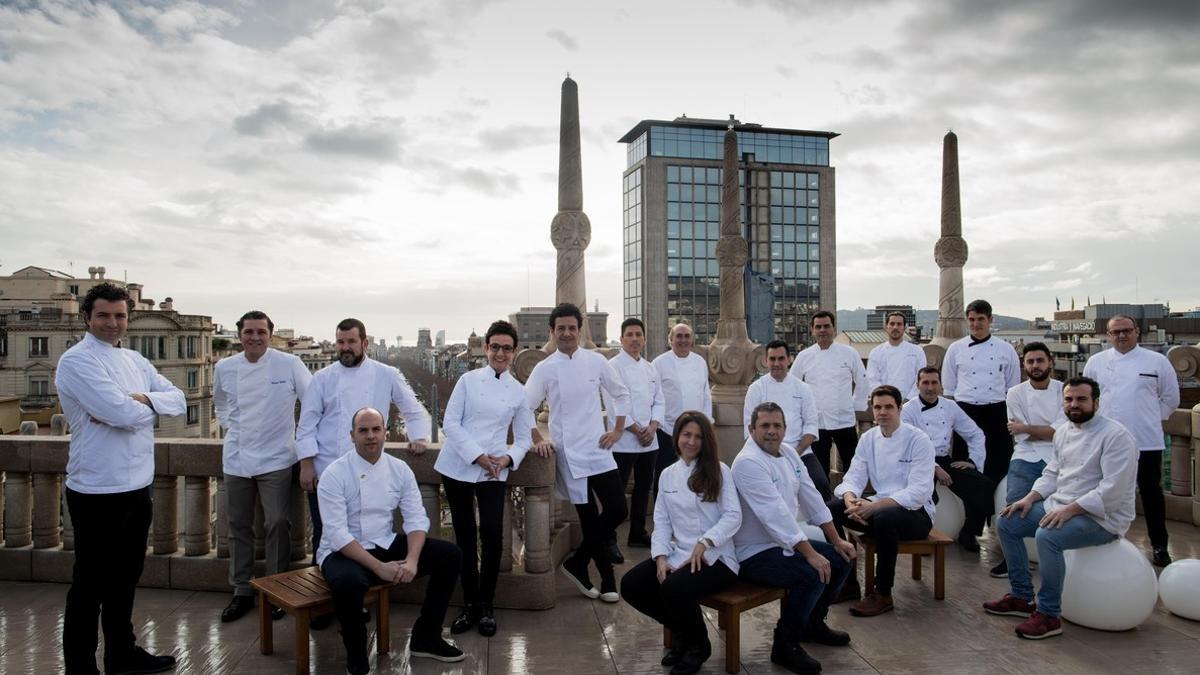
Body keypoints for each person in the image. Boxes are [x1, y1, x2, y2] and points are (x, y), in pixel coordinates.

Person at [55, 282, 185, 675]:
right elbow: (121, 414)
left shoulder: (135, 361)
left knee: (126, 578)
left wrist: (137, 401)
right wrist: (134, 407)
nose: (113, 323)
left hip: (137, 486)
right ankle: (80, 665)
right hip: (96, 488)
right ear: (87, 318)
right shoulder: (76, 362)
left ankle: (121, 655)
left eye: (120, 316)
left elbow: (177, 401)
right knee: (90, 584)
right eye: (104, 316)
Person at [983, 377, 1139, 640]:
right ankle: (1022, 597)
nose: (1074, 404)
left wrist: (1070, 510)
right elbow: (1052, 472)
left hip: (1101, 517)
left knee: (1048, 537)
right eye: (1069, 399)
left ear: (1096, 402)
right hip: (1059, 507)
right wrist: (1030, 498)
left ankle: (1049, 614)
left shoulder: (1116, 436)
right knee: (1008, 522)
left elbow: (1112, 491)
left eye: (1081, 399)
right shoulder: (1064, 431)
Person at [318, 407, 464, 672]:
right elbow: (337, 534)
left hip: (384, 542)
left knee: (451, 555)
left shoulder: (400, 469)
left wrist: (411, 560)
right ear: (352, 436)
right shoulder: (334, 474)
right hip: (343, 552)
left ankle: (426, 637)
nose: (371, 436)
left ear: (385, 432)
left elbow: (416, 520)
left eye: (376, 429)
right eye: (363, 430)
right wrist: (379, 567)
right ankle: (357, 660)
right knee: (348, 584)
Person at [733, 402, 857, 674]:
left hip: (784, 544)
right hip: (752, 552)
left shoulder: (789, 453)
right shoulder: (747, 463)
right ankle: (785, 645)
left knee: (841, 561)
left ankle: (813, 624)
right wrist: (811, 554)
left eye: (777, 425)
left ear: (785, 429)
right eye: (764, 426)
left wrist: (837, 541)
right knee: (810, 573)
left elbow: (812, 498)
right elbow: (776, 516)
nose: (771, 431)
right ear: (752, 429)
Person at [296, 318, 431, 564]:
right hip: (326, 470)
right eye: (340, 342)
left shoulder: (386, 374)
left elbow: (413, 409)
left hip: (368, 470)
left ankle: (358, 589)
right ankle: (321, 595)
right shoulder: (322, 378)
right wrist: (306, 464)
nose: (345, 347)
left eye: (351, 342)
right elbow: (306, 424)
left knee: (367, 539)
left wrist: (418, 437)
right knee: (324, 536)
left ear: (364, 343)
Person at [620, 411, 740, 675]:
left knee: (673, 588)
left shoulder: (720, 471)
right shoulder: (667, 474)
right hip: (679, 553)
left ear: (706, 440)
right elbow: (661, 521)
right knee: (631, 585)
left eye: (698, 436)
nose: (692, 441)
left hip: (716, 557)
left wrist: (705, 542)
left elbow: (733, 516)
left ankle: (698, 646)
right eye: (687, 434)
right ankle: (684, 633)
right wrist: (661, 556)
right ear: (677, 437)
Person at [435, 320, 534, 637]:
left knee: (492, 535)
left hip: (494, 470)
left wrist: (507, 459)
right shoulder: (466, 380)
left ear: (514, 352)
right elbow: (450, 423)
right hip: (460, 466)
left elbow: (523, 439)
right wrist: (478, 455)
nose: (500, 353)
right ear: (486, 349)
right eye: (495, 347)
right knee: (464, 536)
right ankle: (470, 605)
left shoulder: (519, 393)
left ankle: (488, 604)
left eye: (507, 348)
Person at [526, 303, 631, 602]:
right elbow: (523, 407)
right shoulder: (545, 368)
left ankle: (578, 561)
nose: (567, 333)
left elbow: (620, 392)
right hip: (569, 452)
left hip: (598, 447)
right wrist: (537, 437)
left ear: (580, 329)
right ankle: (607, 579)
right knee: (588, 518)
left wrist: (618, 430)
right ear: (553, 331)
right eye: (561, 328)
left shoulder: (596, 362)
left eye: (572, 327)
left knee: (617, 510)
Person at [214, 310, 312, 623]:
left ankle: (276, 589)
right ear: (239, 335)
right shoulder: (225, 367)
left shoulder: (290, 364)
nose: (255, 337)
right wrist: (233, 428)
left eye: (261, 332)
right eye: (249, 332)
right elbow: (220, 404)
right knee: (238, 526)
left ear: (270, 334)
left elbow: (312, 401)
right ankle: (241, 590)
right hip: (237, 458)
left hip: (277, 457)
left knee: (278, 522)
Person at [1082, 315, 1180, 566]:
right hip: (1105, 441)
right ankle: (1101, 542)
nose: (1121, 336)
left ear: (1137, 332)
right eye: (1115, 332)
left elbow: (1170, 398)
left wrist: (1146, 417)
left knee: (1151, 493)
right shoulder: (1096, 362)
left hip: (1145, 440)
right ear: (1108, 335)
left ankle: (1159, 546)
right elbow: (1087, 398)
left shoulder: (1157, 361)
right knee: (1101, 491)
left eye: (1127, 330)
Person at [830, 385, 935, 617]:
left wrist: (873, 507)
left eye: (888, 407)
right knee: (830, 510)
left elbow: (918, 492)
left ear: (899, 408)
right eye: (877, 407)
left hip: (915, 515)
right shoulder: (868, 438)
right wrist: (849, 500)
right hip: (877, 508)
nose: (882, 412)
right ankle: (847, 583)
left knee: (885, 518)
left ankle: (883, 593)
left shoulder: (918, 440)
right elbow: (854, 476)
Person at [992, 342, 1065, 578]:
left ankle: (1058, 558)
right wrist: (1043, 430)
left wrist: (1028, 428)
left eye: (1040, 360)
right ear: (1024, 365)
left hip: (1060, 455)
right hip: (1026, 455)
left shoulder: (1064, 390)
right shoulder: (1015, 393)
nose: (1035, 366)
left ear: (1050, 362)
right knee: (1012, 511)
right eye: (1030, 361)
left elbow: (1062, 432)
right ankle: (1014, 566)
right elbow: (1020, 433)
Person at [901, 367, 994, 552]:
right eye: (925, 383)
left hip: (944, 459)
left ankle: (969, 532)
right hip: (918, 462)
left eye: (934, 382)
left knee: (983, 485)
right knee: (925, 496)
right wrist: (935, 469)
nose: (930, 387)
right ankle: (922, 538)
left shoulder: (950, 407)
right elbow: (909, 446)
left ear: (941, 386)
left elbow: (975, 434)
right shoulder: (908, 410)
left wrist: (973, 461)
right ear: (917, 385)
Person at [602, 318, 666, 563]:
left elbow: (659, 400)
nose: (634, 338)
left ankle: (638, 533)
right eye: (629, 334)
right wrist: (637, 428)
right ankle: (608, 539)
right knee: (615, 493)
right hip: (623, 440)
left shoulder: (650, 368)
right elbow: (612, 403)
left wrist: (652, 426)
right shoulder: (613, 366)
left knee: (643, 488)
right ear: (621, 339)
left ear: (645, 339)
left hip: (649, 440)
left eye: (638, 334)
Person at [940, 299, 1021, 485]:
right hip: (966, 411)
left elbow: (1012, 386)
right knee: (964, 463)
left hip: (997, 412)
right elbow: (950, 387)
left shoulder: (1006, 349)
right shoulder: (955, 349)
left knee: (998, 461)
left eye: (980, 319)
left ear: (990, 320)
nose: (975, 324)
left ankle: (996, 506)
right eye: (971, 319)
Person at [742, 339, 830, 499]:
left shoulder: (803, 388)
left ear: (789, 359)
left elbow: (811, 426)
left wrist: (794, 454)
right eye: (772, 359)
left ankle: (824, 523)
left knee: (821, 484)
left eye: (781, 358)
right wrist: (772, 455)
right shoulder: (756, 388)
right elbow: (750, 428)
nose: (777, 363)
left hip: (801, 453)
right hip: (765, 454)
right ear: (766, 361)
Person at [790, 310, 867, 478]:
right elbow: (793, 386)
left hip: (845, 420)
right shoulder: (804, 356)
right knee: (819, 471)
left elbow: (862, 381)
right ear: (812, 330)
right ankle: (823, 502)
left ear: (834, 328)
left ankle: (852, 500)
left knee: (853, 467)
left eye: (826, 326)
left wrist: (855, 406)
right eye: (818, 327)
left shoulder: (849, 353)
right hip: (817, 423)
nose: (822, 330)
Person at [652, 323, 712, 489]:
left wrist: (707, 422)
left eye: (687, 336)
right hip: (667, 431)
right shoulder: (659, 363)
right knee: (664, 477)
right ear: (670, 339)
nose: (683, 340)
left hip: (696, 432)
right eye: (679, 336)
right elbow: (653, 397)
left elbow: (706, 394)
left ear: (692, 340)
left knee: (696, 476)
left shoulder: (700, 362)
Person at [866, 311, 927, 402]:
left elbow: (921, 378)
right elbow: (872, 380)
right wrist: (885, 399)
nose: (895, 327)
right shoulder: (876, 352)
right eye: (892, 324)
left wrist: (909, 399)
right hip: (885, 404)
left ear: (904, 328)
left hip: (911, 402)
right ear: (886, 327)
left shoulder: (917, 351)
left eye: (899, 324)